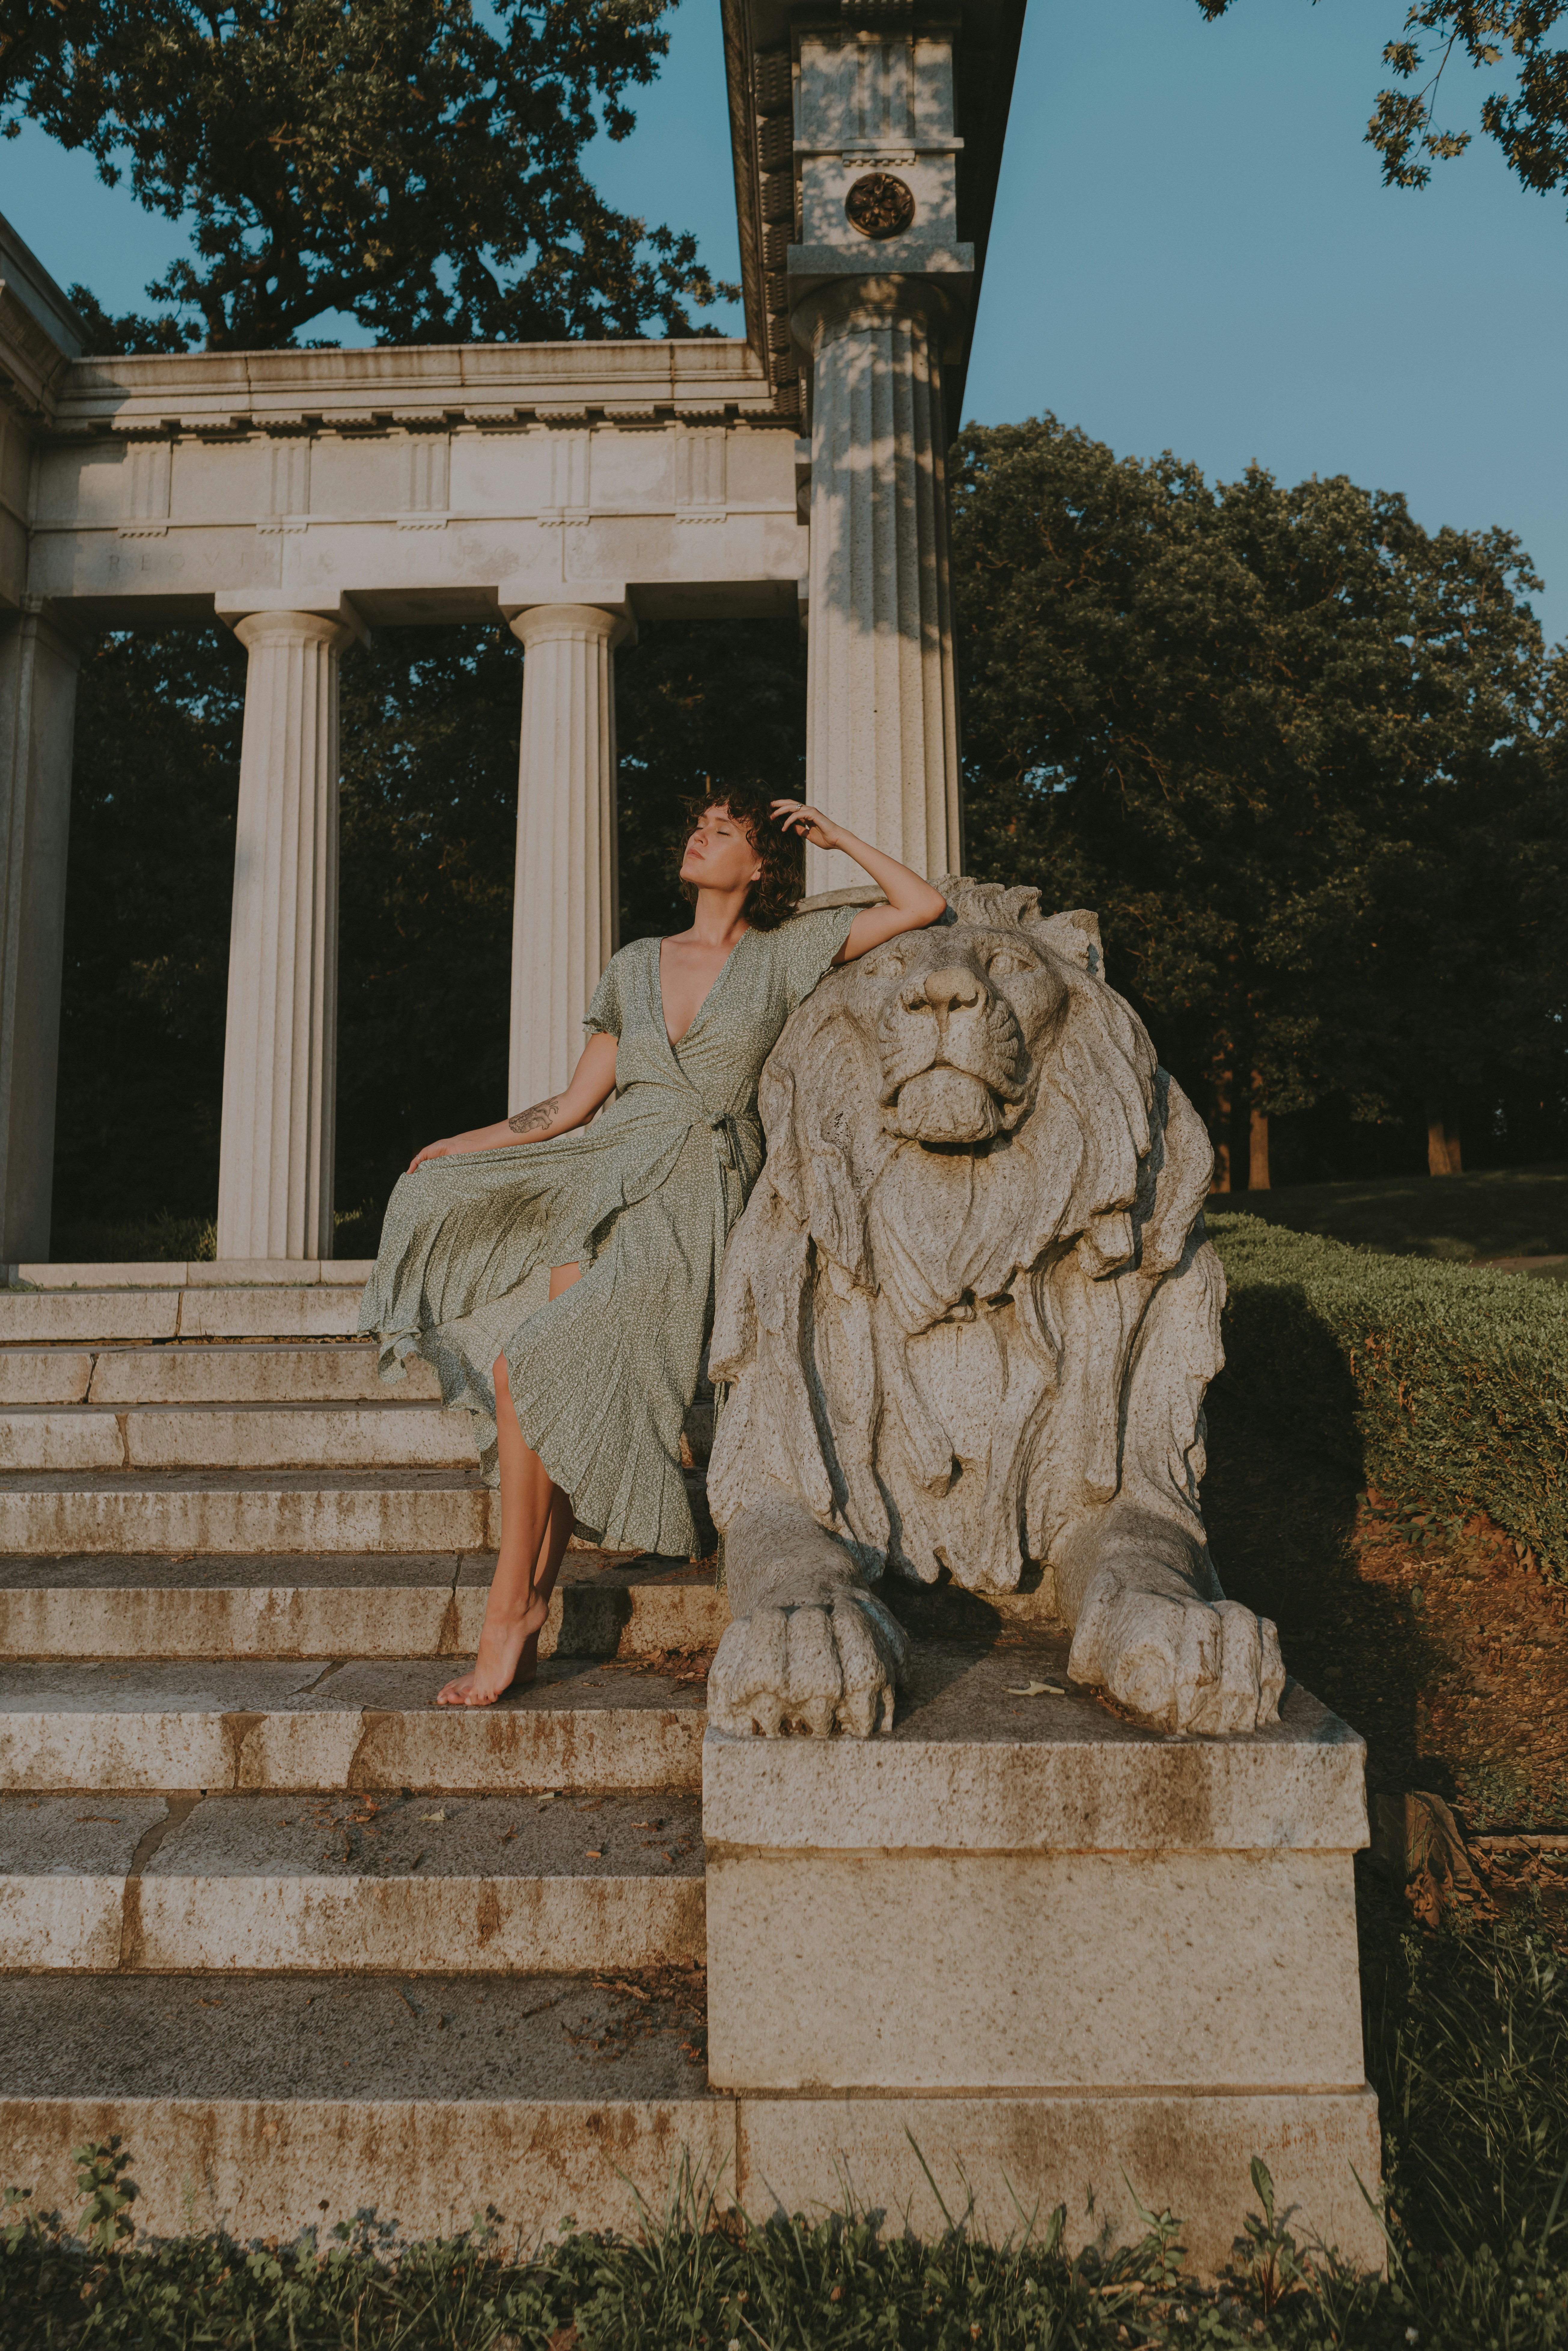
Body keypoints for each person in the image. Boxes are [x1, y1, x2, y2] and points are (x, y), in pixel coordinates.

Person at [359, 790, 947, 1707]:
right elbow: (572, 1105)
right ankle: (525, 1609)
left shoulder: (783, 952)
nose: (698, 835)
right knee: (542, 1398)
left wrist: (837, 839)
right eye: (696, 825)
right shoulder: (635, 964)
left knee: (528, 1369)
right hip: (601, 1176)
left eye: (723, 832)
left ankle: (507, 1615)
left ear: (760, 867)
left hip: (696, 1188)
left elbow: (920, 907)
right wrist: (469, 1144)